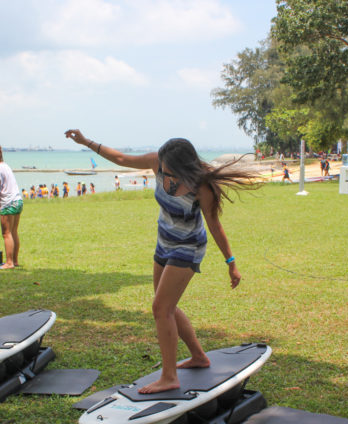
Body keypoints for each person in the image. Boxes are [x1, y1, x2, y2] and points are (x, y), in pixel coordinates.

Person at [65, 129, 258, 394]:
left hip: (188, 247)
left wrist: (231, 262)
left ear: (183, 167)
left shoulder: (202, 186)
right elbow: (121, 159)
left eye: (169, 171)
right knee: (166, 305)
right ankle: (199, 357)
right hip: (165, 242)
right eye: (162, 169)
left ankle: (169, 377)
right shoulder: (158, 161)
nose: (163, 174)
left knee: (161, 308)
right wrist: (85, 141)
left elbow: (214, 225)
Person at [0, 145, 23, 269]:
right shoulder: (6, 166)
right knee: (13, 232)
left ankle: (9, 262)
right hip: (17, 201)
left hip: (7, 203)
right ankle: (15, 261)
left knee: (6, 233)